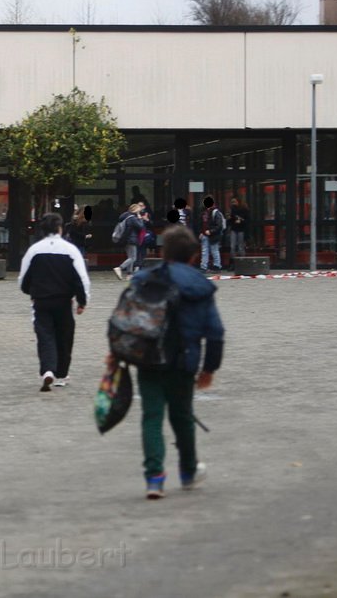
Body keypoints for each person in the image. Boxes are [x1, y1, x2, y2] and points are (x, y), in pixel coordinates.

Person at [129, 224, 225, 500]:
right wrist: (209, 368)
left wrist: (119, 355)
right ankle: (188, 472)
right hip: (184, 361)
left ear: (163, 251)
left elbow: (128, 321)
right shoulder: (200, 285)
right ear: (194, 255)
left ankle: (154, 477)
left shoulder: (143, 279)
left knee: (151, 416)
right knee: (182, 416)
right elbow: (216, 333)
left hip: (148, 359)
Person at [18, 213, 90, 392]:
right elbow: (80, 278)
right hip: (64, 301)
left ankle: (48, 370)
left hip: (41, 301)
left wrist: (30, 292)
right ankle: (61, 374)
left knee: (45, 336)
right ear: (60, 228)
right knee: (64, 336)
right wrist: (82, 300)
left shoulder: (34, 250)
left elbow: (24, 279)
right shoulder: (70, 250)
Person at [113, 203, 145, 281]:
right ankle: (119, 268)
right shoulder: (132, 218)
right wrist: (140, 219)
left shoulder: (125, 217)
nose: (139, 211)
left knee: (130, 257)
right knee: (133, 258)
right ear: (135, 209)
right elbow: (141, 227)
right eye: (138, 209)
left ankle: (129, 275)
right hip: (132, 239)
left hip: (126, 239)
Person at [198, 195, 224, 273]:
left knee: (213, 250)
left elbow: (219, 225)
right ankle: (205, 266)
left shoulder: (215, 212)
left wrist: (211, 231)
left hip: (212, 235)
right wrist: (202, 232)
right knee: (206, 251)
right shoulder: (205, 212)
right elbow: (202, 223)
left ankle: (216, 266)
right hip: (206, 234)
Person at [228, 197, 249, 261]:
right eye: (232, 202)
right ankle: (232, 262)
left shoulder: (244, 209)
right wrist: (230, 218)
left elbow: (247, 220)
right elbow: (229, 220)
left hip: (241, 229)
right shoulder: (231, 210)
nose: (233, 203)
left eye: (234, 202)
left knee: (240, 247)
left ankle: (241, 262)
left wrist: (240, 220)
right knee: (232, 246)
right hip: (234, 229)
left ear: (238, 202)